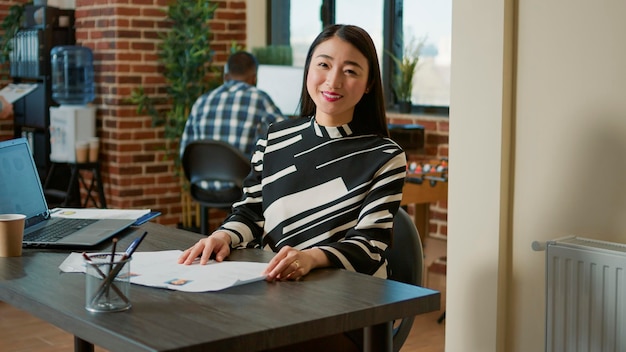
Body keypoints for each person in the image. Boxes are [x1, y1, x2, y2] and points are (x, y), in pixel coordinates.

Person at [178, 25, 407, 350]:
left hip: (352, 308)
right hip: (277, 296)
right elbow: (251, 212)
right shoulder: (275, 138)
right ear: (308, 69)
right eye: (324, 64)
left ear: (369, 83)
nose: (333, 80)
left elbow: (370, 245)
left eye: (350, 70)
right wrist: (223, 236)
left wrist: (312, 258)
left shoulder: (385, 156)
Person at [179, 51, 285, 159]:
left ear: (226, 77)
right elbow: (286, 132)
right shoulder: (259, 98)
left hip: (202, 174)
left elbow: (185, 151)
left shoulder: (201, 101)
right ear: (254, 78)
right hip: (242, 174)